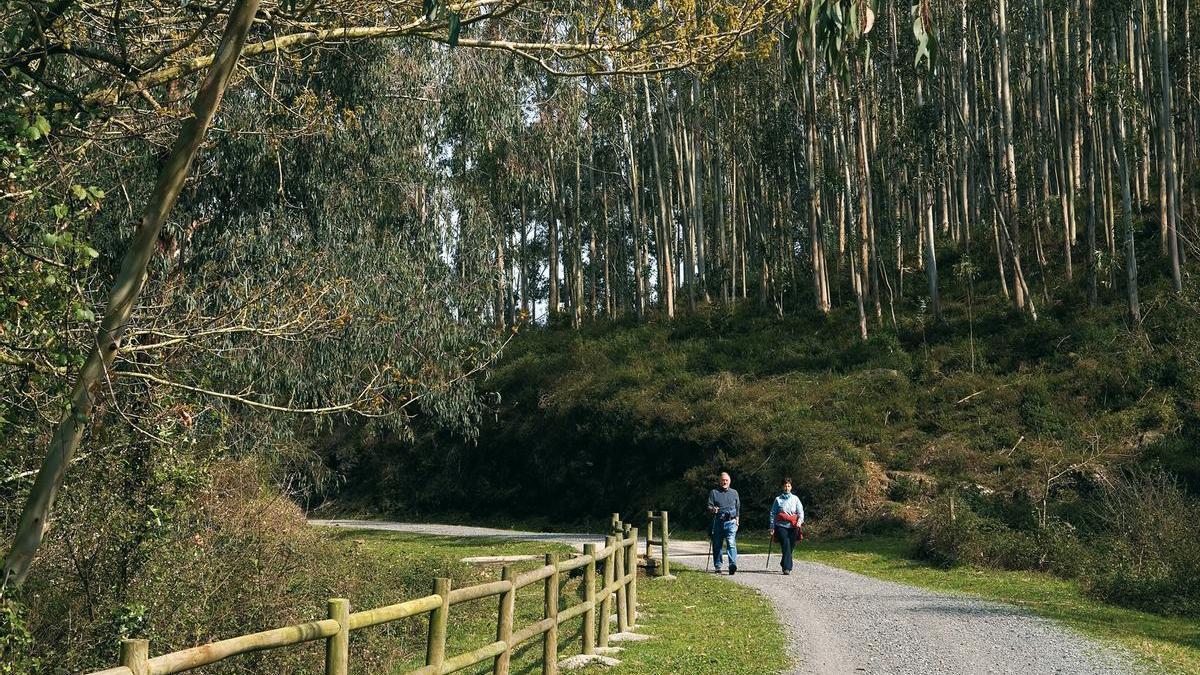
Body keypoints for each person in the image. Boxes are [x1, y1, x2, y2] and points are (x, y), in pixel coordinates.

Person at [768, 477, 804, 575]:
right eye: (785, 486)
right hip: (781, 526)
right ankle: (787, 568)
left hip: (793, 526)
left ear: (791, 487)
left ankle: (783, 562)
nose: (787, 488)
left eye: (788, 486)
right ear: (782, 487)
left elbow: (800, 512)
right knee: (786, 544)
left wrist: (799, 522)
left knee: (790, 546)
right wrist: (772, 526)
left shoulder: (795, 499)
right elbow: (773, 513)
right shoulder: (778, 499)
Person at [707, 471, 741, 574]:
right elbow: (709, 506)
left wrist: (737, 520)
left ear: (729, 481)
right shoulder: (714, 492)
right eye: (723, 480)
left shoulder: (734, 492)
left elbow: (738, 507)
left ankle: (732, 564)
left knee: (731, 543)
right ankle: (718, 566)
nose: (724, 482)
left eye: (726, 480)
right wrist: (713, 509)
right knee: (717, 545)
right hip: (718, 522)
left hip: (731, 522)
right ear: (719, 481)